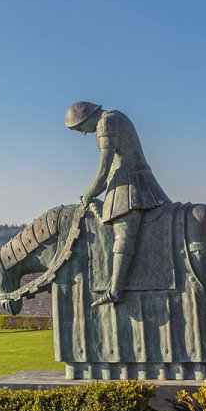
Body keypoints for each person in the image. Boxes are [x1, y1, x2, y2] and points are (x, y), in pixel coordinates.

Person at [66, 101, 169, 307]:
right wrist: (94, 194)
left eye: (79, 128)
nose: (82, 133)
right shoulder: (112, 118)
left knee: (123, 232)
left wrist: (89, 193)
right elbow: (109, 172)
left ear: (86, 118)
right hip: (123, 179)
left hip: (130, 183)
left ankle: (115, 290)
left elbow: (105, 167)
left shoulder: (106, 122)